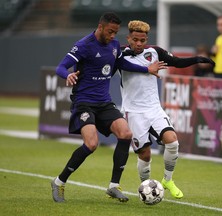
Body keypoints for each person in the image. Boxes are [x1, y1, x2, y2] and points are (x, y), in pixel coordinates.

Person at [50, 12, 167, 203]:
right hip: (84, 102)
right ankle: (59, 181)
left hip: (104, 102)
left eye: (115, 32)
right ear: (101, 27)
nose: (113, 36)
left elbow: (122, 63)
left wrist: (147, 69)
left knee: (125, 134)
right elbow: (61, 67)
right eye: (110, 32)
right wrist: (67, 75)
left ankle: (113, 186)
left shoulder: (113, 46)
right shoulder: (84, 45)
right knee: (91, 144)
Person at [119, 20, 215, 199]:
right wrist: (147, 69)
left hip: (154, 108)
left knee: (172, 141)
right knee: (145, 155)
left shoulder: (154, 51)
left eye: (143, 40)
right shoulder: (120, 54)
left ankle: (167, 180)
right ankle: (145, 189)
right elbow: (123, 66)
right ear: (128, 38)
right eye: (135, 40)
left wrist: (196, 59)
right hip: (134, 112)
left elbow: (176, 62)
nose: (139, 43)